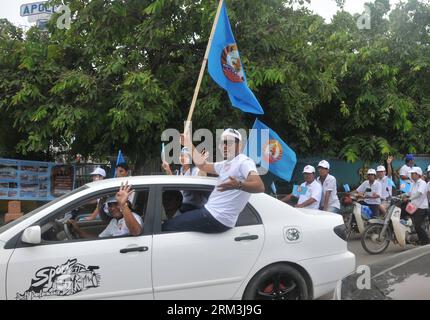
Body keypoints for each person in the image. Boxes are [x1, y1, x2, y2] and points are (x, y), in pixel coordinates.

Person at [162, 128, 265, 234]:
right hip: (210, 212)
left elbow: (260, 186)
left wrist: (238, 185)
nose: (224, 146)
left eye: (229, 142)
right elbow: (203, 165)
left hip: (217, 217)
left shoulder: (244, 161)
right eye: (222, 142)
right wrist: (188, 144)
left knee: (167, 226)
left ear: (239, 145)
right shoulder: (225, 164)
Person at [69, 182, 143, 238]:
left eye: (116, 203)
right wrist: (78, 230)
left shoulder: (134, 216)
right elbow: (99, 240)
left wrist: (123, 205)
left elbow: (136, 232)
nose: (112, 208)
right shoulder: (114, 221)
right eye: (110, 205)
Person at [162, 147, 208, 212]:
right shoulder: (180, 171)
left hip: (196, 207)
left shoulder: (195, 171)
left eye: (186, 157)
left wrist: (201, 165)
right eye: (181, 156)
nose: (182, 158)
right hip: (183, 205)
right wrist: (168, 170)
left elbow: (203, 179)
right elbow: (175, 185)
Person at [404, 167, 429, 245]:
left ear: (418, 175)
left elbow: (419, 193)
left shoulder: (422, 183)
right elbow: (408, 193)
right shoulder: (412, 183)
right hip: (413, 206)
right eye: (411, 173)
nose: (411, 175)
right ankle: (413, 237)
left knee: (417, 225)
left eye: (413, 173)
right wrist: (400, 195)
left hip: (421, 207)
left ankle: (426, 241)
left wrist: (410, 199)